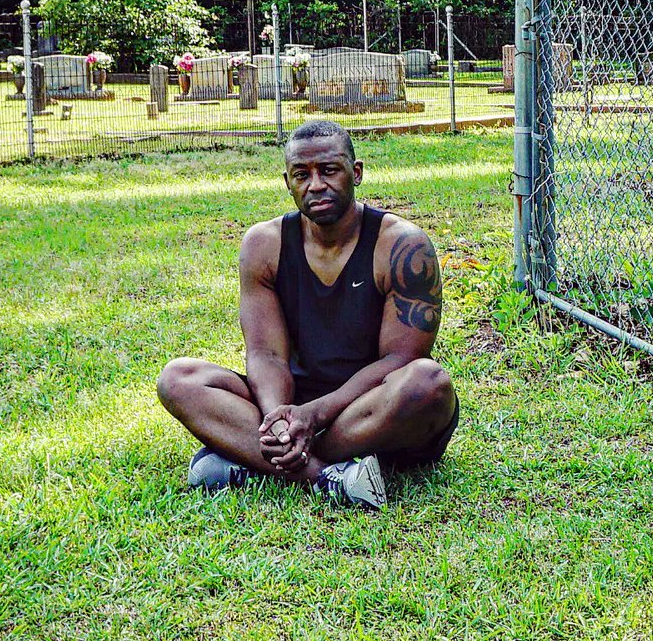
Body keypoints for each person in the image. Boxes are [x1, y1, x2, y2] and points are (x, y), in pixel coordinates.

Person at [157, 118, 458, 511]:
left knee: (428, 383)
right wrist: (279, 421)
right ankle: (326, 478)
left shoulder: (402, 246)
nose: (316, 185)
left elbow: (400, 359)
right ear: (288, 183)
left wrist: (313, 417)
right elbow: (266, 354)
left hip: (370, 408)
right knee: (178, 378)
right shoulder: (264, 245)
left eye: (329, 170)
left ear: (356, 173)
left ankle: (252, 459)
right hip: (294, 402)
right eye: (302, 174)